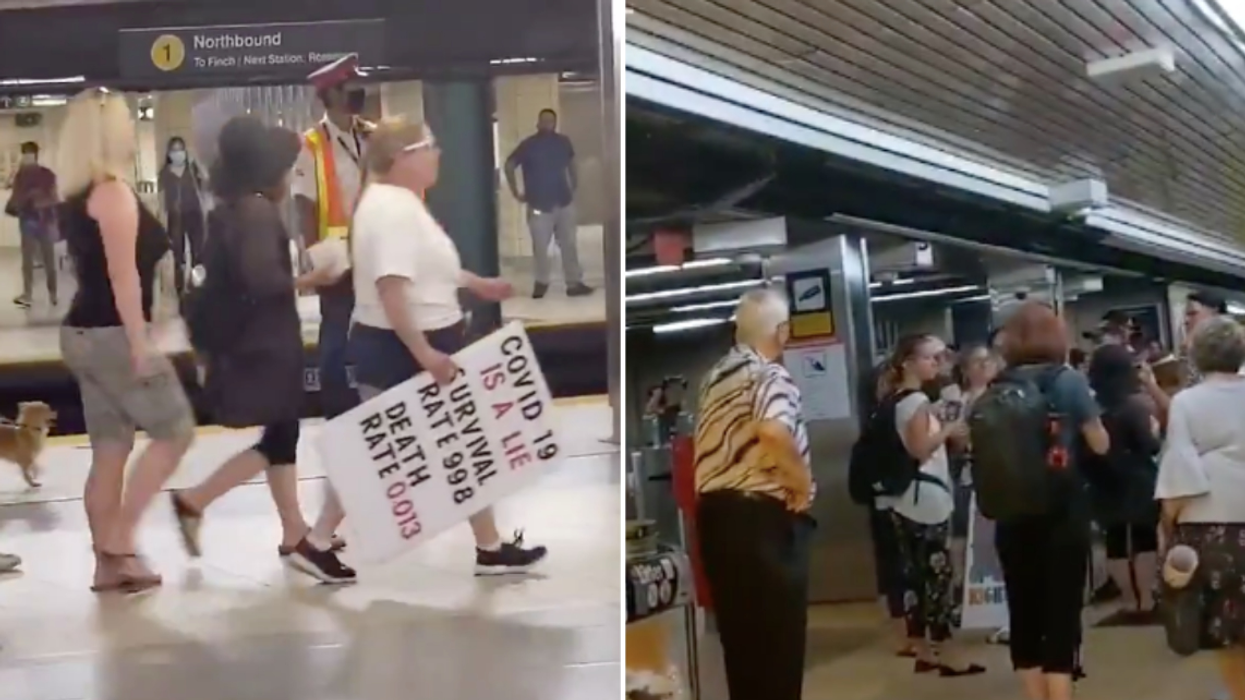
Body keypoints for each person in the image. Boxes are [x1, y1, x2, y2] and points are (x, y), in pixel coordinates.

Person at [347, 117, 547, 575]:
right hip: (403, 350)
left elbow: (428, 268)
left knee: (463, 445)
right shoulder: (393, 209)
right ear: (403, 158)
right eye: (430, 146)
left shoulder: (402, 203)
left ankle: (490, 547)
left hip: (416, 347)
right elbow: (392, 289)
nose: (438, 154)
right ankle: (316, 539)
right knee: (375, 456)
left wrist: (477, 284)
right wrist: (425, 356)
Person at [168, 116, 354, 584]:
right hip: (264, 342)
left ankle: (294, 530)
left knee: (283, 430)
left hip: (249, 340)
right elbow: (263, 281)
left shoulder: (231, 207)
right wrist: (314, 278)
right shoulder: (256, 212)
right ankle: (195, 500)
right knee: (278, 436)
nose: (292, 177)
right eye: (287, 168)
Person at [55, 89, 196, 592]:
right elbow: (124, 278)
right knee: (176, 429)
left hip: (80, 333)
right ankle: (120, 538)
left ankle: (110, 566)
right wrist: (141, 343)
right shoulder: (112, 193)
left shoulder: (76, 194)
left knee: (110, 448)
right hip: (114, 332)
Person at [692, 287, 814, 700]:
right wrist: (801, 483)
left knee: (743, 651)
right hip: (762, 526)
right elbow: (773, 430)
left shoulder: (715, 377)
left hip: (715, 521)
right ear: (782, 332)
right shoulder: (769, 374)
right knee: (777, 652)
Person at [991, 302, 1109, 700]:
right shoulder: (1069, 381)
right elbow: (1100, 443)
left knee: (1024, 612)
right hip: (1063, 512)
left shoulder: (998, 384)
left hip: (1011, 514)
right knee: (1061, 613)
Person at [290, 53, 371, 553]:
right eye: (349, 89)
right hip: (337, 264)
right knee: (337, 348)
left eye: (359, 87)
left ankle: (366, 424)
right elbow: (303, 205)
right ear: (328, 96)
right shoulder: (311, 144)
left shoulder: (374, 134)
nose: (358, 95)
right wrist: (311, 258)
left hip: (377, 260)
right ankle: (342, 429)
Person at [876, 334, 983, 677]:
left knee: (913, 577)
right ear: (909, 362)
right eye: (931, 358)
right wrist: (948, 428)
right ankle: (947, 651)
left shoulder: (893, 399)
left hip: (902, 498)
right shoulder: (917, 400)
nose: (938, 364)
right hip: (926, 499)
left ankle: (922, 647)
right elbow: (920, 448)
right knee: (937, 576)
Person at [1157, 316, 1245, 700]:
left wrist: (1168, 523)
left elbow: (1180, 468)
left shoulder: (1186, 402)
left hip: (1207, 524)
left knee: (1224, 635)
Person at [1084, 343, 1161, 624]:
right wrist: (1154, 431)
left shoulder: (1091, 408)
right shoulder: (1134, 406)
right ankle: (1146, 600)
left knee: (1114, 540)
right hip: (1138, 480)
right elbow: (1149, 446)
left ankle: (1128, 601)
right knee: (1144, 539)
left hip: (1103, 481)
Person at [503, 108, 593, 300]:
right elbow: (509, 165)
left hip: (564, 202)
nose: (547, 123)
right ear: (538, 123)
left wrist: (574, 182)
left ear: (555, 122)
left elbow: (572, 162)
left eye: (551, 120)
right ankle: (541, 283)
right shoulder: (528, 145)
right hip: (539, 205)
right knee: (540, 247)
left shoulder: (563, 142)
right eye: (544, 120)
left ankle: (573, 283)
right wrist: (515, 191)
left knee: (569, 244)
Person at [5, 141, 59, 308]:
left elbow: (17, 198)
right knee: (41, 259)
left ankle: (36, 294)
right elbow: (54, 197)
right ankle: (49, 294)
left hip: (32, 220)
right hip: (39, 220)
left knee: (36, 259)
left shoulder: (30, 175)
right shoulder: (43, 174)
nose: (26, 158)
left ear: (31, 155)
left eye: (26, 154)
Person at [157, 136, 206, 296]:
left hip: (194, 214)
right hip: (175, 217)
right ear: (169, 153)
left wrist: (198, 164)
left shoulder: (192, 169)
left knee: (197, 252)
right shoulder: (164, 173)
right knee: (178, 255)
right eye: (174, 150)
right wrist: (162, 219)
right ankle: (179, 289)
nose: (178, 153)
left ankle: (196, 285)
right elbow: (161, 198)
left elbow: (205, 184)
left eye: (181, 149)